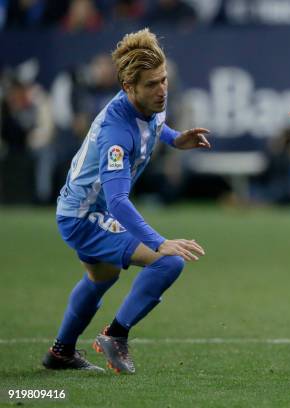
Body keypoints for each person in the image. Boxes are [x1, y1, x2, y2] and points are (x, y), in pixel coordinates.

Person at [42, 28, 210, 374]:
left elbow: (156, 124)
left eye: (163, 80)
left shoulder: (151, 101)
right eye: (152, 84)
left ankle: (61, 352)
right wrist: (160, 242)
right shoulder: (116, 133)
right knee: (169, 261)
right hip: (85, 216)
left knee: (101, 278)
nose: (162, 90)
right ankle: (115, 336)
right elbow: (117, 200)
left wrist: (177, 140)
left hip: (85, 210)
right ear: (128, 88)